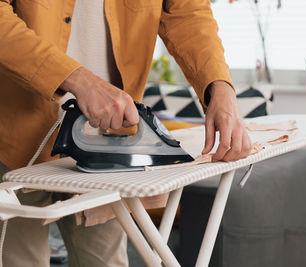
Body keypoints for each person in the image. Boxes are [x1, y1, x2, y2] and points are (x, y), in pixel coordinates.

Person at [0, 0, 251, 266]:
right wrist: (77, 79)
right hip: (14, 136)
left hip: (107, 146)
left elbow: (187, 11)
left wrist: (219, 88)